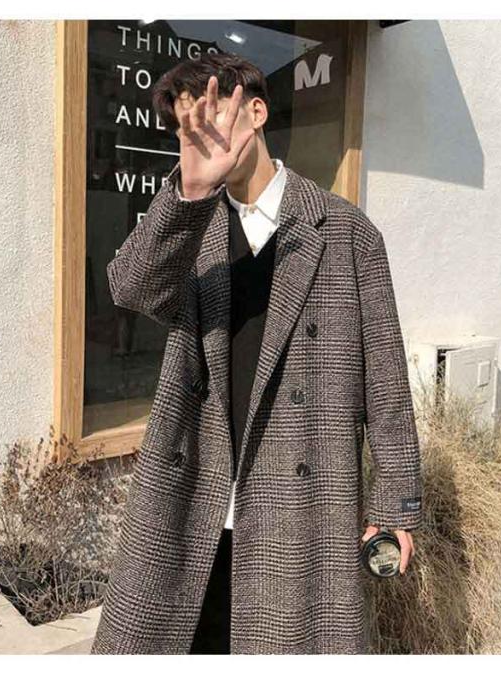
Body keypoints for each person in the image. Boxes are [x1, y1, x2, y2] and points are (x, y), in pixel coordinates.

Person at [91, 52, 422, 655]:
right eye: (188, 125)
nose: (204, 131)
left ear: (257, 112)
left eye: (213, 110)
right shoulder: (190, 225)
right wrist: (190, 192)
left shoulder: (345, 232)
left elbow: (386, 380)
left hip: (299, 502)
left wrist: (395, 502)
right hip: (196, 494)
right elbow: (131, 288)